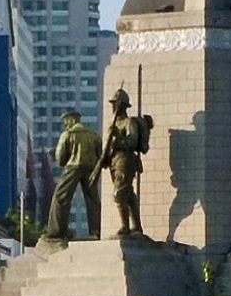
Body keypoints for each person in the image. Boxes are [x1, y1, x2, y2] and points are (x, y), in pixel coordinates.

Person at [43, 109, 102, 242]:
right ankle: (97, 230)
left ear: (72, 119)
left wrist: (53, 153)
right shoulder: (94, 135)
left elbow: (61, 160)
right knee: (93, 200)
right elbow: (101, 155)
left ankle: (57, 232)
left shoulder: (68, 134)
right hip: (91, 169)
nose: (65, 124)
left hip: (73, 167)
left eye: (65, 120)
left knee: (60, 197)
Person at [102, 89, 151, 237]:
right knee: (128, 195)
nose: (113, 107)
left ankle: (125, 227)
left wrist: (118, 138)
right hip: (114, 160)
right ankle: (137, 226)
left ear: (122, 106)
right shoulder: (113, 123)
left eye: (116, 104)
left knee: (119, 194)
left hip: (125, 158)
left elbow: (132, 141)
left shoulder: (128, 122)